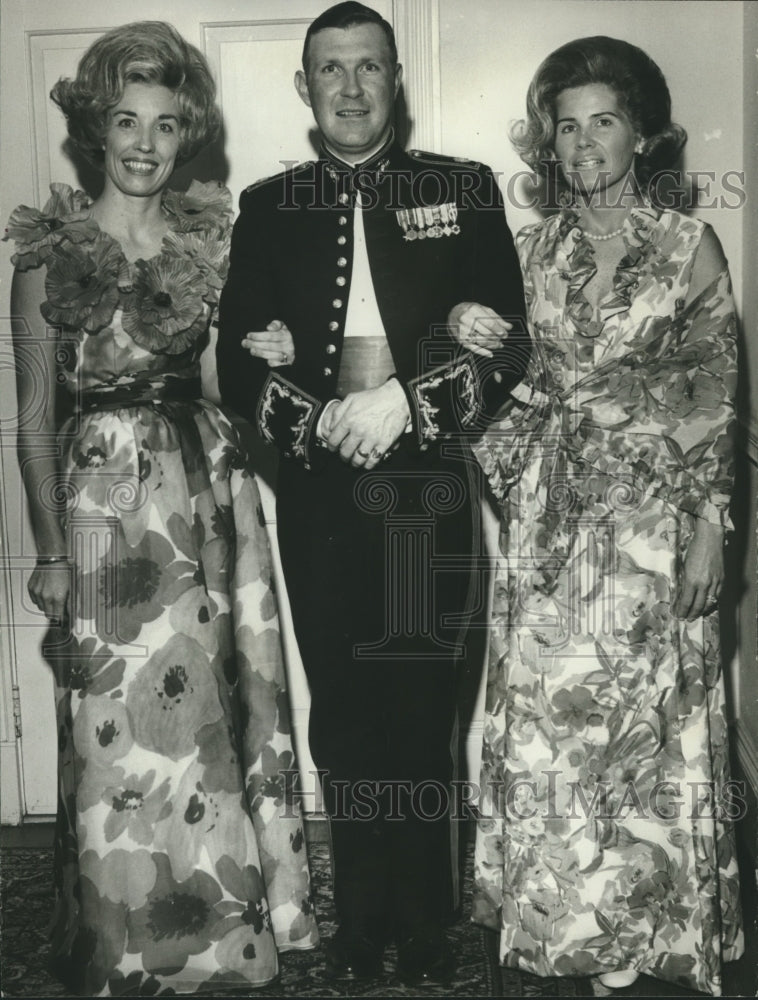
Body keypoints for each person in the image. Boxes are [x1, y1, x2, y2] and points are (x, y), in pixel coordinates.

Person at [217, 1, 530, 985]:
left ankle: (429, 919)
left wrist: (407, 401)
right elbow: (234, 363)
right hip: (318, 493)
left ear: (394, 78)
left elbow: (508, 341)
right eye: (330, 69)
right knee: (345, 714)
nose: (350, 87)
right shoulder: (268, 206)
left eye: (368, 67)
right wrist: (313, 420)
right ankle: (361, 920)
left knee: (423, 706)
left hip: (427, 487)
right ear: (304, 86)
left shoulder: (462, 187)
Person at [5, 21, 317, 996]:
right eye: (127, 120)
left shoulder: (204, 245)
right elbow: (33, 418)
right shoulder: (47, 258)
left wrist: (268, 353)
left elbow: (220, 384)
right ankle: (124, 936)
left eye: (167, 124)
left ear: (187, 136)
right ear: (96, 127)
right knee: (117, 722)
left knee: (211, 713)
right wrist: (51, 553)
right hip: (104, 503)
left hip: (207, 498)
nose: (145, 142)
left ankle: (227, 932)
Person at [457, 36, 743, 995]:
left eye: (604, 123)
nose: (584, 145)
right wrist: (469, 340)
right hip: (553, 523)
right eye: (567, 126)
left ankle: (655, 933)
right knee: (549, 730)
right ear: (549, 140)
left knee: (653, 731)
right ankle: (556, 930)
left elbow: (717, 394)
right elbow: (507, 392)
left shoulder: (686, 245)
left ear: (643, 136)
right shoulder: (527, 250)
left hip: (657, 530)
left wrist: (713, 527)